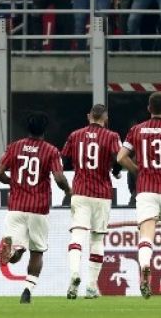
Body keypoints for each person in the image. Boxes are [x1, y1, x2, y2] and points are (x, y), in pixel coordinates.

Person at [116, 91, 161, 300]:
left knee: (146, 235)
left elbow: (121, 156)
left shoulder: (136, 130)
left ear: (149, 109)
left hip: (146, 189)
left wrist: (137, 170)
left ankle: (145, 265)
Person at [0, 111, 72, 304]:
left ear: (27, 128)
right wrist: (68, 191)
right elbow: (59, 177)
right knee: (37, 251)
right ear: (44, 130)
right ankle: (27, 290)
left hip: (16, 207)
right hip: (39, 208)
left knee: (14, 254)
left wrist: (12, 182)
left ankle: (15, 250)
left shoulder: (14, 147)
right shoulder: (51, 151)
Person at [61, 104, 128, 300]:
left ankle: (74, 274)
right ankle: (91, 287)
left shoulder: (75, 135)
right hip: (102, 193)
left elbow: (63, 158)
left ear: (88, 116)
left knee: (77, 235)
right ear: (105, 117)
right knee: (97, 239)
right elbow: (120, 157)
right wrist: (115, 170)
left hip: (80, 191)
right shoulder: (112, 136)